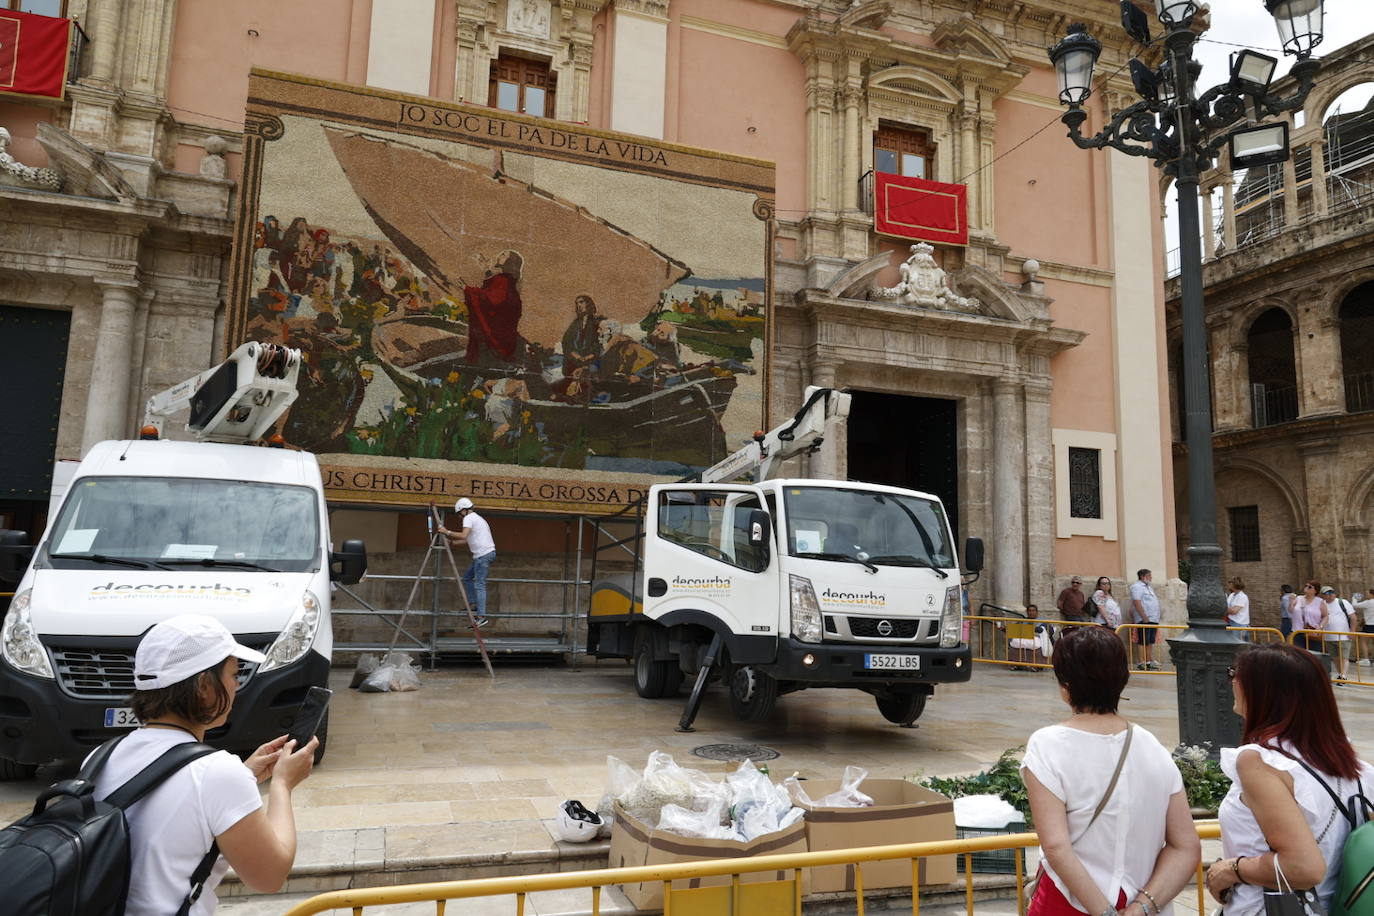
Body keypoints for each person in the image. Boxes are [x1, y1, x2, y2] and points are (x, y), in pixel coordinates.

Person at [90, 615, 318, 916]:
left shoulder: (101, 755)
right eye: (233, 674)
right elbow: (270, 875)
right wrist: (281, 785)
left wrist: (244, 775)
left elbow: (171, 809)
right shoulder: (217, 773)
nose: (236, 685)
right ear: (203, 686)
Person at [1021, 626, 1200, 916]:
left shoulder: (1048, 744)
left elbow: (1056, 847)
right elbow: (1185, 846)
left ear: (1065, 685)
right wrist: (1141, 908)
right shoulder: (1151, 746)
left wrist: (1105, 912)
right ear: (1122, 679)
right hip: (1145, 902)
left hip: (1069, 903)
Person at [1205, 643, 1374, 915]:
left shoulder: (1259, 761)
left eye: (1236, 674)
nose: (1232, 681)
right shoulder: (1351, 765)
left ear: (1266, 692)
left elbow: (1304, 867)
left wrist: (1231, 869)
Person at [439, 497, 496, 627]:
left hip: (483, 555)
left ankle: (481, 617)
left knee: (480, 585)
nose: (459, 516)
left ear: (463, 510)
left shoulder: (469, 518)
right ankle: (474, 605)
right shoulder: (478, 519)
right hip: (482, 555)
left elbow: (463, 536)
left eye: (459, 514)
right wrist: (452, 542)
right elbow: (467, 540)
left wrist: (446, 531)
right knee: (467, 577)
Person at [461, 249, 525, 366]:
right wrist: (486, 270)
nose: (499, 255)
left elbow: (491, 299)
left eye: (504, 254)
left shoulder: (505, 279)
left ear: (510, 261)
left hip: (498, 331)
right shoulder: (508, 279)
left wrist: (468, 290)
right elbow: (493, 290)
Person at [560, 295, 603, 375]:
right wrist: (575, 355)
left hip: (592, 362)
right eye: (577, 303)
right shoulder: (575, 324)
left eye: (581, 302)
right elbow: (566, 342)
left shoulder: (597, 322)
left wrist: (590, 356)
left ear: (588, 303)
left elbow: (601, 344)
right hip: (574, 361)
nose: (578, 305)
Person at [1318, 586, 1353, 684]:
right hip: (1329, 636)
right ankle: (1340, 673)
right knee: (1335, 657)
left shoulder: (1343, 602)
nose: (1330, 595)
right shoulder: (1322, 604)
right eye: (1327, 593)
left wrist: (1352, 631)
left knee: (1344, 657)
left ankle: (1344, 676)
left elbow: (1353, 617)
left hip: (1344, 635)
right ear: (1323, 595)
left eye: (1331, 592)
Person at [1129, 569, 1162, 671]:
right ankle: (1141, 662)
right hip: (1145, 619)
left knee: (1150, 640)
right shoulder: (1137, 587)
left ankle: (1148, 661)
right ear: (1143, 576)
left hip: (1153, 618)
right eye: (1149, 576)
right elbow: (1137, 602)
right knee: (1143, 640)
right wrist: (1144, 616)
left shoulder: (1149, 588)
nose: (1151, 578)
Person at [1009, 605, 1050, 671]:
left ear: (1037, 612)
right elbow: (1014, 630)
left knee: (1036, 645)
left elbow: (1049, 630)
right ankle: (1016, 664)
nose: (1031, 612)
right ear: (1027, 612)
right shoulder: (1022, 621)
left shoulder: (1042, 621)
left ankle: (1037, 666)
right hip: (1023, 638)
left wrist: (1038, 629)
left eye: (1033, 611)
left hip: (1036, 638)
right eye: (1029, 611)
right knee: (1014, 642)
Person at [1294, 580, 1327, 654]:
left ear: (1315, 590)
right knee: (1298, 656)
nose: (1306, 588)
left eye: (1309, 587)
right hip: (1297, 631)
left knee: (1314, 655)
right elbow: (1290, 610)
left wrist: (1320, 627)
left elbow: (1325, 616)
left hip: (1313, 631)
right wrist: (1291, 602)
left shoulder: (1319, 601)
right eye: (1305, 585)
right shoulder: (1298, 598)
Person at [1356, 587, 1374, 664]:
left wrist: (1355, 597)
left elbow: (1355, 605)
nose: (1367, 595)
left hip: (1369, 625)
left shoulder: (1368, 602)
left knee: (1363, 642)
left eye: (1368, 593)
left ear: (1371, 594)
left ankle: (1366, 659)